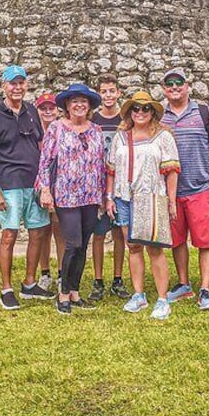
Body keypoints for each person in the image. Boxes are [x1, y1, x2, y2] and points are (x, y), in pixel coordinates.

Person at [0, 65, 54, 310]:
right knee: (9, 234)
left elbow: (42, 148)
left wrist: (45, 183)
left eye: (21, 83)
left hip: (33, 182)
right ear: (4, 86)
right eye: (13, 83)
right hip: (10, 183)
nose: (17, 88)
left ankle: (30, 283)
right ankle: (6, 288)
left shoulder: (32, 111)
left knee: (38, 232)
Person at [105, 92, 180, 320]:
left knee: (154, 248)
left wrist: (171, 200)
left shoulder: (163, 137)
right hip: (124, 197)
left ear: (152, 112)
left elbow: (172, 171)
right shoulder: (120, 137)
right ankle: (139, 294)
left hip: (151, 197)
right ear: (129, 112)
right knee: (133, 246)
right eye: (135, 109)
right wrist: (109, 197)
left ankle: (162, 298)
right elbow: (111, 170)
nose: (140, 113)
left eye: (145, 109)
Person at [160, 67, 209, 311]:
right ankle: (183, 284)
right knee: (177, 240)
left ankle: (205, 289)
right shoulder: (159, 116)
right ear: (164, 89)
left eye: (179, 82)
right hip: (171, 191)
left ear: (188, 86)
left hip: (200, 187)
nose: (175, 87)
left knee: (205, 241)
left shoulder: (204, 112)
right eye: (170, 84)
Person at [35, 84, 105, 314]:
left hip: (90, 194)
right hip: (66, 194)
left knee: (83, 244)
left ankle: (75, 291)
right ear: (66, 105)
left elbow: (101, 165)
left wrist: (104, 195)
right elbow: (45, 162)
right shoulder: (56, 128)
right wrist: (45, 189)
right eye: (74, 101)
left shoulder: (96, 130)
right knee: (72, 243)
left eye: (83, 101)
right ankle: (63, 292)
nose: (79, 105)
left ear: (90, 106)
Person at [89, 73, 131, 301]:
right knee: (98, 234)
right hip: (98, 183)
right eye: (103, 91)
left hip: (120, 183)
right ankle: (97, 280)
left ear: (118, 93)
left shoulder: (126, 120)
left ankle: (117, 278)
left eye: (111, 91)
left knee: (118, 233)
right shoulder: (93, 120)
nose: (108, 95)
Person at [34, 92, 65, 292]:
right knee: (41, 231)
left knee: (59, 230)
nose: (47, 111)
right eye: (43, 108)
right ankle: (44, 272)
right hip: (38, 185)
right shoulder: (33, 131)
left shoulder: (63, 130)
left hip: (59, 185)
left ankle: (62, 273)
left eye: (51, 108)